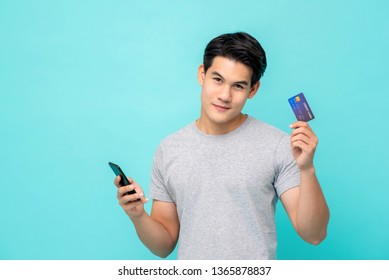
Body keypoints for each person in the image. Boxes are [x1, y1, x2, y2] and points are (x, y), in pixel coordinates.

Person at [114, 32, 330, 260]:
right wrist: (137, 215)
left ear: (253, 90)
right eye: (217, 80)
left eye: (238, 86)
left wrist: (307, 169)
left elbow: (314, 235)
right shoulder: (169, 149)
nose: (224, 95)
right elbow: (163, 245)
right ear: (202, 74)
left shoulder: (277, 145)